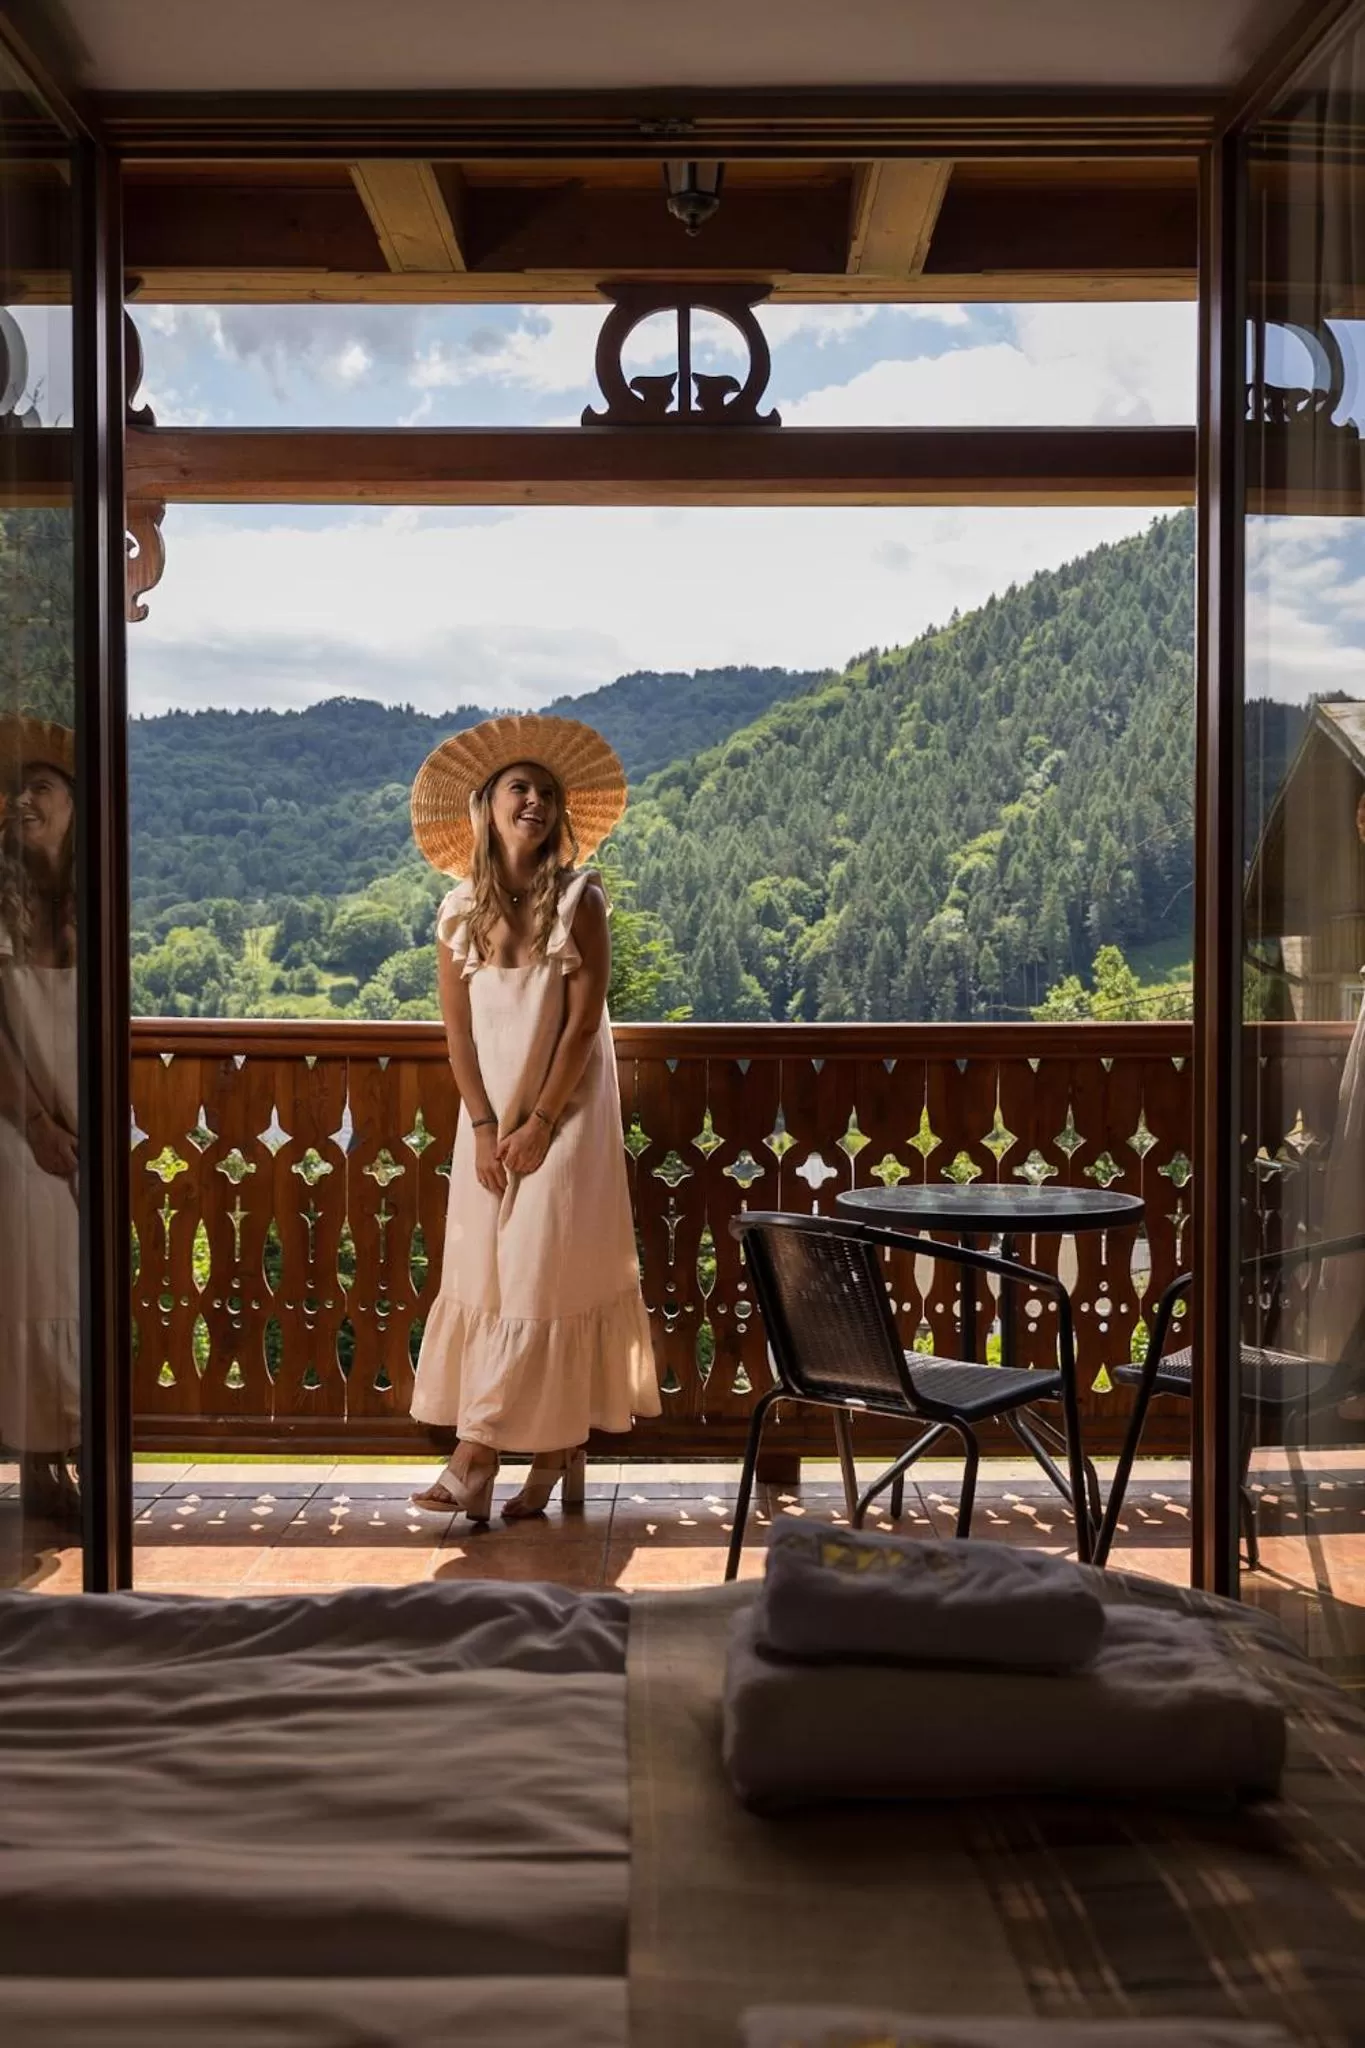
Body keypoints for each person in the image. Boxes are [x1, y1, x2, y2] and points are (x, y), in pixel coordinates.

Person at [407, 713, 660, 1520]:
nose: (536, 803)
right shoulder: (456, 913)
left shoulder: (581, 899)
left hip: (567, 1113)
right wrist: (483, 1127)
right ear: (486, 806)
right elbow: (457, 1032)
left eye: (547, 793)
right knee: (492, 1274)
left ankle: (475, 1453)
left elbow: (584, 1025)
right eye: (521, 788)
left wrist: (541, 1125)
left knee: (542, 1272)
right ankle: (551, 1456)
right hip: (487, 1117)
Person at [0, 718, 80, 1528]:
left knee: (75, 1284)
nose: (24, 800)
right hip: (15, 1115)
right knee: (39, 1284)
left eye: (42, 788)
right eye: (17, 789)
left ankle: (58, 1458)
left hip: (82, 1112)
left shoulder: (95, 897)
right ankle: (39, 1463)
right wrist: (36, 1121)